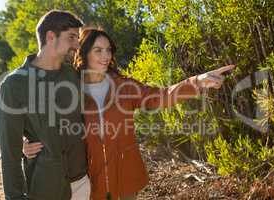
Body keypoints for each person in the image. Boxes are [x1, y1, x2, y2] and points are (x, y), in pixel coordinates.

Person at [23, 27, 235, 200]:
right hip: (87, 180)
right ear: (84, 52)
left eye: (108, 50)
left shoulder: (124, 86)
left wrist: (196, 82)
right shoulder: (70, 88)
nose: (105, 56)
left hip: (124, 176)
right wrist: (27, 142)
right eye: (98, 50)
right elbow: (48, 122)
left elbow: (159, 96)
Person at [0, 10, 90, 200]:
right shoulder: (14, 85)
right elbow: (9, 152)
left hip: (82, 183)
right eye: (71, 37)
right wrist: (15, 197)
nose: (77, 44)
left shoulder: (73, 75)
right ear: (50, 37)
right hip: (45, 188)